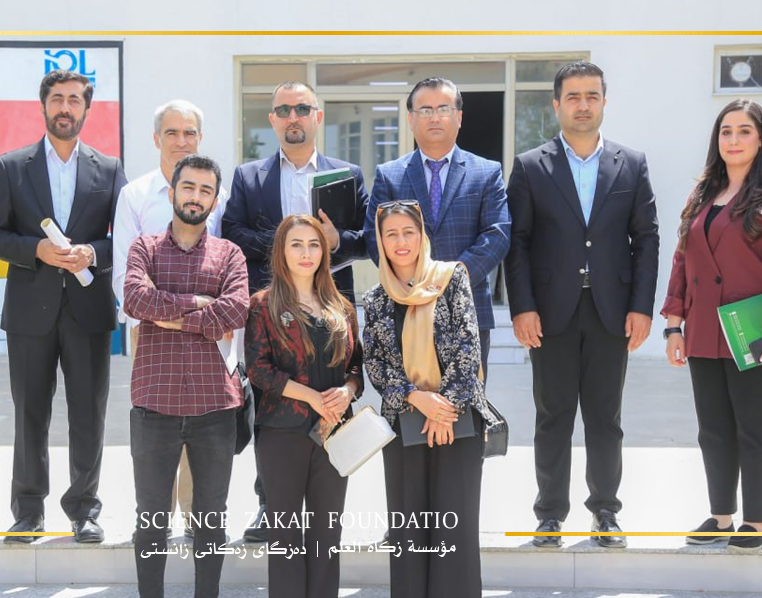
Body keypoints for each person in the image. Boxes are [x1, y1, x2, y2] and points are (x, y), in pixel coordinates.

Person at [503, 61, 659, 548]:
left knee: (605, 418)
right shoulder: (531, 166)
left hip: (612, 310)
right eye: (573, 96)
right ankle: (549, 514)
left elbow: (647, 239)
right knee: (552, 417)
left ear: (604, 102)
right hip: (550, 313)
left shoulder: (631, 163)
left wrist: (642, 307)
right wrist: (522, 307)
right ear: (557, 104)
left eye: (592, 96)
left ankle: (605, 512)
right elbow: (517, 242)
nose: (583, 105)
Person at [0, 69, 126, 544]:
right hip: (30, 311)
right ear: (43, 106)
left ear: (87, 108)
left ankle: (84, 510)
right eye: (57, 98)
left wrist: (93, 254)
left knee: (88, 414)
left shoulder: (109, 169)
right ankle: (28, 512)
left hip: (88, 310)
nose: (65, 107)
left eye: (75, 100)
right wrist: (35, 250)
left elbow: (124, 238)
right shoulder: (11, 166)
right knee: (30, 414)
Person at [661, 99, 762, 553]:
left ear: (761, 139)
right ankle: (721, 516)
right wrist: (673, 326)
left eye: (744, 131)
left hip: (757, 331)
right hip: (705, 330)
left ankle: (757, 523)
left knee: (756, 426)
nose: (734, 140)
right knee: (713, 428)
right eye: (726, 131)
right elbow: (683, 261)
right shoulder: (701, 195)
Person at [224, 80, 368, 541]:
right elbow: (231, 230)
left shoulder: (346, 175)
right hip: (272, 310)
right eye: (283, 109)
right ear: (272, 119)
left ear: (317, 116)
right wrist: (290, 246)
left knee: (329, 397)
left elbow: (368, 237)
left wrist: (335, 242)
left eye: (302, 108)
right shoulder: (249, 177)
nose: (293, 117)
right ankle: (270, 504)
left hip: (329, 306)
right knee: (272, 404)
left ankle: (325, 503)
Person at [124, 154, 249, 598]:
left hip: (214, 405)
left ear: (214, 200)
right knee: (151, 518)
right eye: (189, 187)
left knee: (211, 518)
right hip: (153, 403)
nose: (196, 197)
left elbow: (236, 310)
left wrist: (168, 313)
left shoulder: (230, 254)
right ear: (173, 191)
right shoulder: (144, 248)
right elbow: (135, 300)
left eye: (205, 190)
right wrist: (199, 305)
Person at [362, 201, 497, 598]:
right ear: (380, 242)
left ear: (422, 235)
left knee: (455, 526)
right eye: (391, 234)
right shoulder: (376, 298)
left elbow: (469, 347)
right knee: (409, 529)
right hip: (405, 423)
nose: (401, 241)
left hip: (458, 422)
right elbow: (375, 363)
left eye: (409, 232)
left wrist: (444, 410)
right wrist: (416, 398)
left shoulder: (451, 278)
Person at [113, 99, 225, 538]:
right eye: (172, 133)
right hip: (150, 334)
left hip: (210, 335)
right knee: (158, 432)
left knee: (202, 425)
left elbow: (227, 271)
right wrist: (187, 309)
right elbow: (125, 279)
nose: (182, 141)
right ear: (156, 139)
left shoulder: (218, 195)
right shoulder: (135, 195)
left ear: (201, 138)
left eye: (190, 132)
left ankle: (197, 518)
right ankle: (155, 522)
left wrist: (200, 314)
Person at [244, 214, 363, 598]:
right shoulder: (262, 305)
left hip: (334, 433)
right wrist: (312, 396)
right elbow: (259, 370)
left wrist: (348, 390)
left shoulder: (341, 306)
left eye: (314, 244)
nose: (306, 252)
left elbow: (356, 365)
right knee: (285, 535)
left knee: (327, 533)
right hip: (282, 434)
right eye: (296, 244)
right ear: (281, 251)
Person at [364, 77, 510, 375]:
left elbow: (497, 235)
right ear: (410, 119)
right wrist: (415, 283)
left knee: (465, 401)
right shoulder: (390, 175)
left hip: (467, 308)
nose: (434, 117)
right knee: (409, 398)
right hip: (406, 306)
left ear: (459, 117)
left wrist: (449, 280)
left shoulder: (486, 172)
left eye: (443, 109)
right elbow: (374, 237)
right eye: (425, 110)